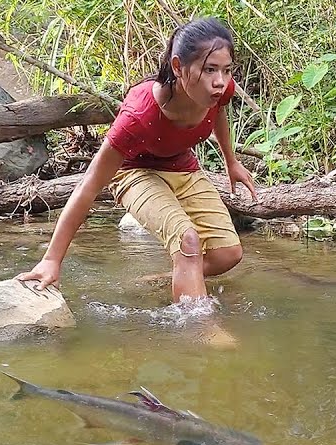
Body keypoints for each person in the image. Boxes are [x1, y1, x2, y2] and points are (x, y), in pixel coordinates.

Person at [16, 17, 257, 307]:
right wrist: (51, 260)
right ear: (179, 67)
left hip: (182, 165)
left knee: (227, 255)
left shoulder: (220, 90)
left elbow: (218, 114)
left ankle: (170, 279)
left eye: (227, 70)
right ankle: (200, 333)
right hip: (134, 172)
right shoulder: (139, 115)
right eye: (209, 70)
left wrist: (231, 162)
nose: (220, 81)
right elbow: (89, 185)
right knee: (188, 242)